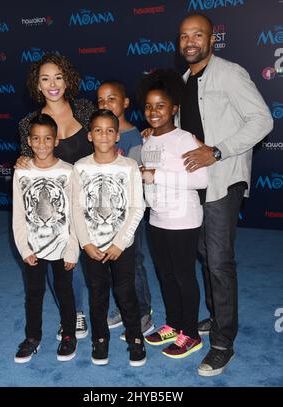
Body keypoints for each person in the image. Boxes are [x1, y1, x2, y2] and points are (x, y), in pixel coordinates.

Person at [178, 13, 273, 375]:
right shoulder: (186, 80)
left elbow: (262, 120)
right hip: (197, 183)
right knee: (205, 252)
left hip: (223, 179)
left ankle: (222, 342)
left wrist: (216, 150)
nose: (190, 41)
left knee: (218, 260)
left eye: (197, 34)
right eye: (184, 36)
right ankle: (217, 315)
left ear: (212, 39)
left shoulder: (230, 73)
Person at [17, 53, 95, 341]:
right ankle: (73, 313)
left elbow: (106, 136)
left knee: (102, 260)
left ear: (68, 80)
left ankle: (122, 310)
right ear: (37, 85)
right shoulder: (30, 123)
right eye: (45, 78)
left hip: (91, 199)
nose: (52, 84)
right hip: (57, 210)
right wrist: (21, 161)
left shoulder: (85, 109)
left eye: (58, 77)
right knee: (61, 263)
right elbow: (30, 166)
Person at [137, 68, 208, 360]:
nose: (154, 112)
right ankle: (174, 325)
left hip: (183, 219)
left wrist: (158, 175)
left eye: (161, 105)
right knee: (165, 275)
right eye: (149, 106)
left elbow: (201, 181)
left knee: (183, 276)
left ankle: (190, 334)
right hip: (157, 218)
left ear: (174, 108)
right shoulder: (148, 139)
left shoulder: (185, 139)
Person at [72, 109, 146, 367]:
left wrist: (120, 243)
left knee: (126, 292)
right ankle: (100, 339)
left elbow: (138, 207)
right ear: (90, 135)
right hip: (92, 246)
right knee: (98, 294)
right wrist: (86, 242)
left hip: (121, 245)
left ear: (117, 135)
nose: (104, 135)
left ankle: (136, 338)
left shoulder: (129, 167)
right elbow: (76, 210)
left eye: (110, 130)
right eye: (98, 130)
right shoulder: (80, 167)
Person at [13, 114, 78, 363]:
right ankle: (32, 337)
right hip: (33, 247)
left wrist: (73, 249)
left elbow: (75, 215)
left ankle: (69, 335)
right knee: (34, 293)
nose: (42, 144)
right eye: (37, 139)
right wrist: (24, 247)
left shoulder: (69, 172)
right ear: (29, 141)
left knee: (65, 292)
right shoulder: (22, 172)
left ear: (56, 140)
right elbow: (18, 214)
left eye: (47, 138)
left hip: (62, 246)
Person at [97, 80, 155, 339]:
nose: (105, 105)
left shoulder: (137, 137)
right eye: (100, 101)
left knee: (134, 262)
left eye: (111, 99)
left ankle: (143, 313)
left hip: (130, 212)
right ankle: (124, 307)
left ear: (125, 103)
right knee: (112, 263)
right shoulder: (99, 134)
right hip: (105, 212)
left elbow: (136, 179)